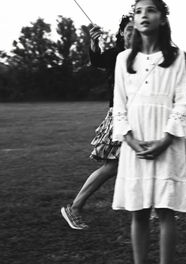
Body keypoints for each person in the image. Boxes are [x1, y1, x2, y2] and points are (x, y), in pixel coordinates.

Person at [112, 0, 186, 264]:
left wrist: (166, 139)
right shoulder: (123, 59)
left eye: (151, 10)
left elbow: (181, 101)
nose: (144, 15)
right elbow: (119, 104)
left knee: (166, 210)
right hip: (135, 141)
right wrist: (130, 140)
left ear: (163, 18)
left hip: (165, 140)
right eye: (138, 11)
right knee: (139, 210)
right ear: (133, 19)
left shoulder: (176, 56)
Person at [61, 15, 134, 230]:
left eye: (136, 29)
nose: (133, 32)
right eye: (129, 28)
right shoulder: (116, 54)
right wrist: (94, 42)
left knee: (143, 161)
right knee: (112, 166)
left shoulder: (143, 54)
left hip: (140, 115)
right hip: (121, 114)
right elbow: (97, 60)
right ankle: (74, 208)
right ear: (121, 32)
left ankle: (153, 210)